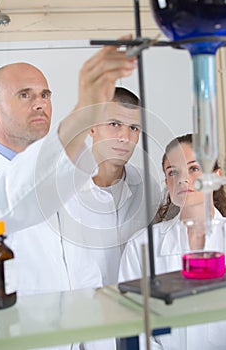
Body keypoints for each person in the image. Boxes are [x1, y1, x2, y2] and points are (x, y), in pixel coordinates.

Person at [0, 36, 138, 298]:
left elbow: (85, 269)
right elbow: (18, 197)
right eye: (24, 95)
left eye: (44, 95)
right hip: (26, 335)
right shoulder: (3, 182)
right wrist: (84, 112)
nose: (39, 103)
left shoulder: (74, 175)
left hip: (82, 328)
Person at [119, 133, 226, 350]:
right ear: (167, 182)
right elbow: (131, 320)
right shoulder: (141, 246)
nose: (182, 179)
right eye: (173, 172)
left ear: (216, 177)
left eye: (193, 168)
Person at [59, 86, 160, 286]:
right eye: (114, 124)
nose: (124, 137)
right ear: (92, 127)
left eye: (134, 128)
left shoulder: (147, 185)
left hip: (139, 306)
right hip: (86, 310)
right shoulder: (64, 191)